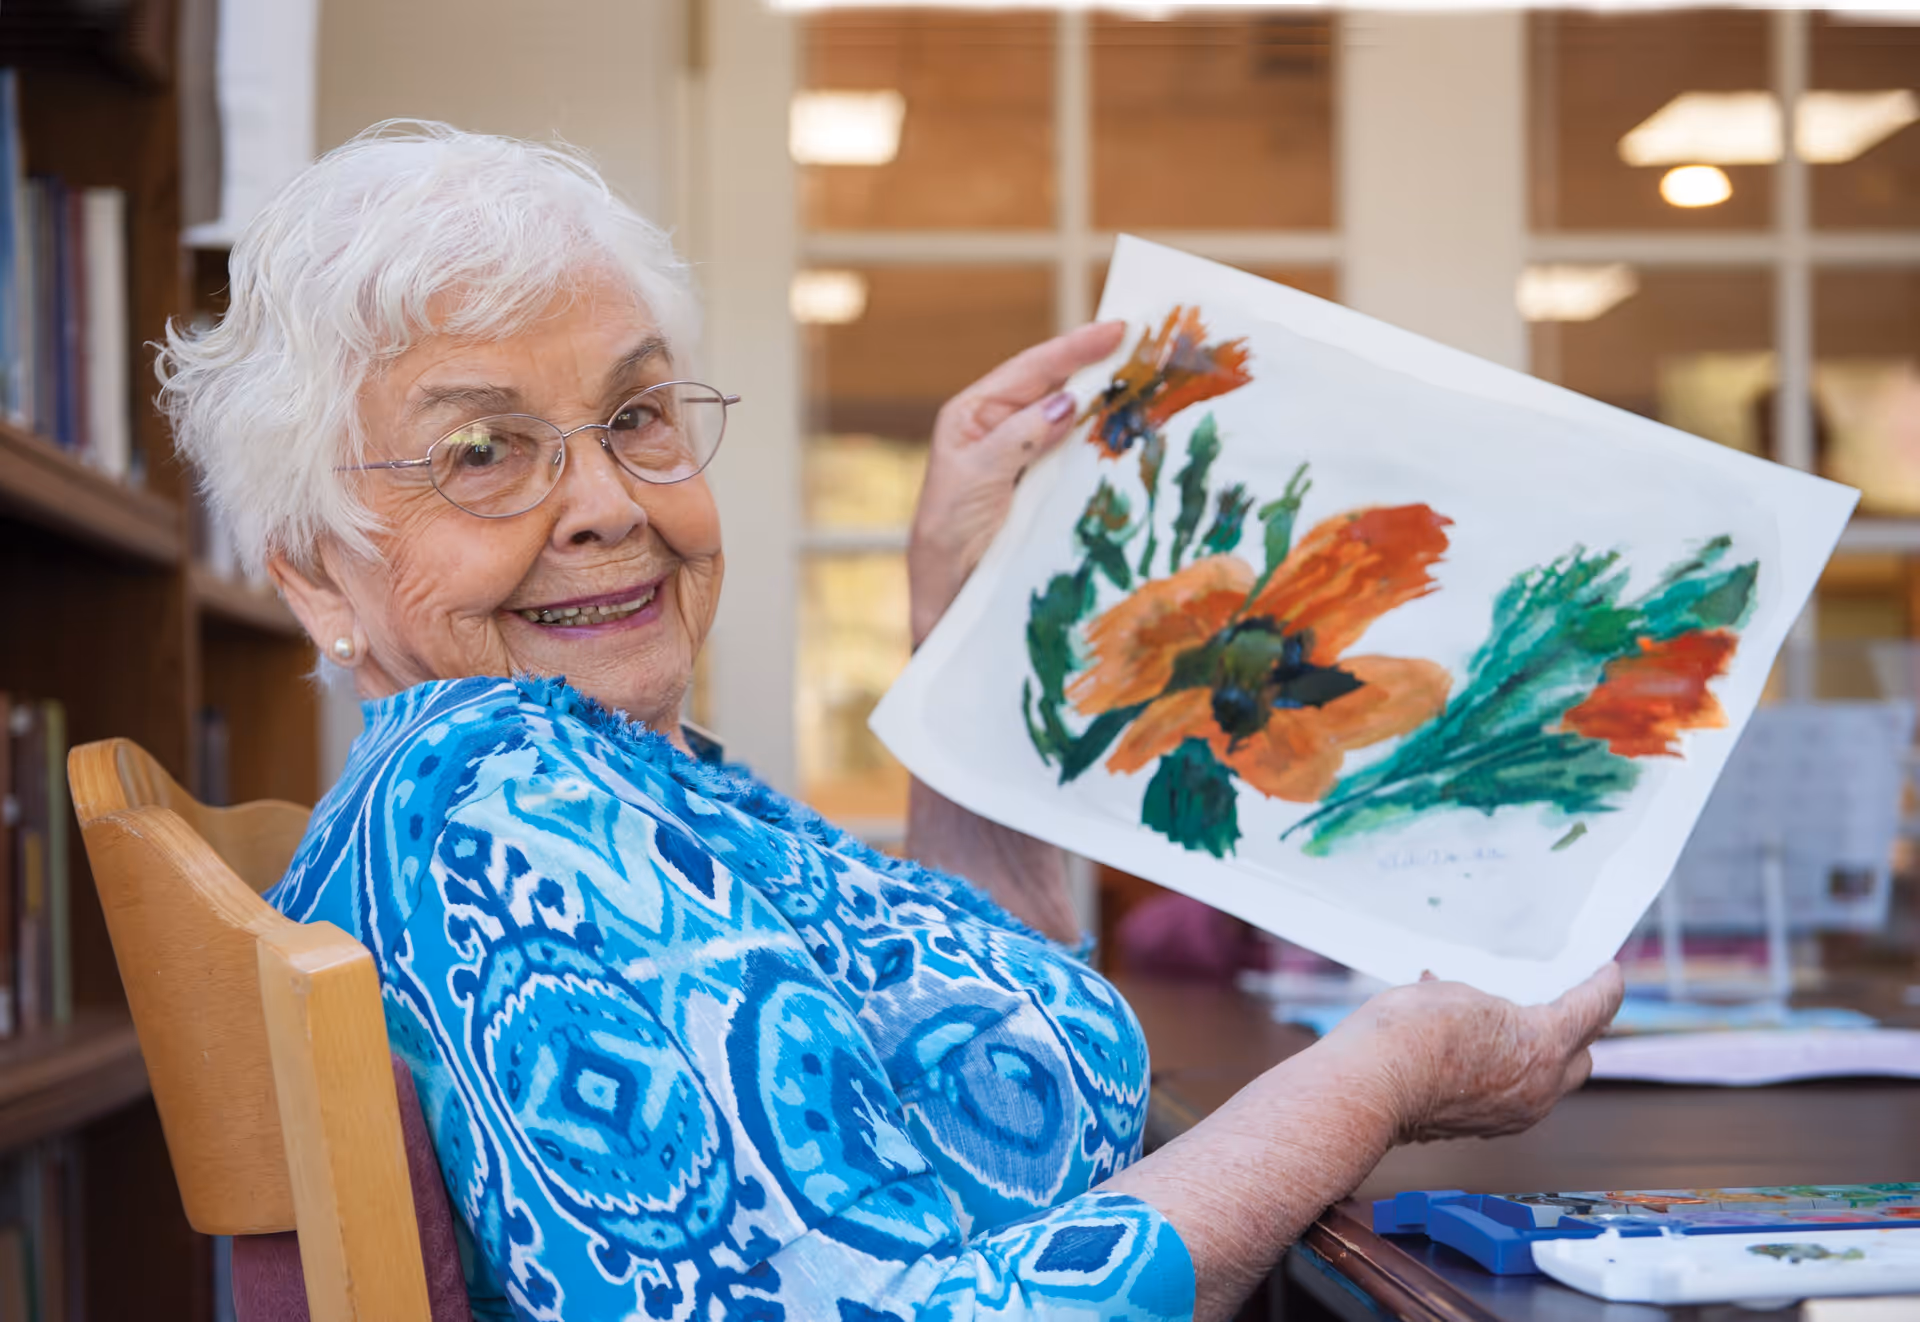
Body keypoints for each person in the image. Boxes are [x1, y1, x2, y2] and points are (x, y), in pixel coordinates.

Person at [158, 122, 1621, 1322]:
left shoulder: (614, 778)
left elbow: (954, 1068)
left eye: (640, 416)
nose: (607, 503)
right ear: (312, 569)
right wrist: (1389, 1067)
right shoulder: (497, 794)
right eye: (483, 453)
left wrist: (960, 617)